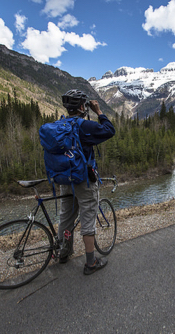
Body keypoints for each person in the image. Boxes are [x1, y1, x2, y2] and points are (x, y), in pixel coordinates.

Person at [58, 89, 115, 275]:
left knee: (65, 217)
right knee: (88, 218)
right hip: (84, 180)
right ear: (83, 107)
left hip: (65, 179)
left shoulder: (60, 125)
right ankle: (91, 263)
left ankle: (63, 253)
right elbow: (109, 130)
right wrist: (99, 111)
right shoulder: (84, 126)